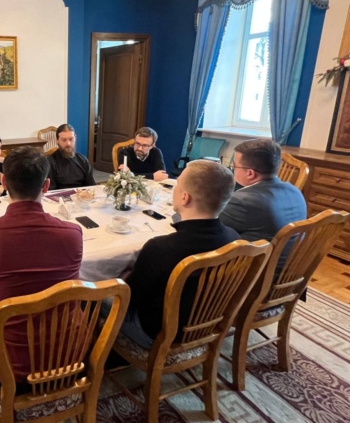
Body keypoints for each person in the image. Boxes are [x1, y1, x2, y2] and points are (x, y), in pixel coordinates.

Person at [0, 146, 82, 396]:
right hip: (68, 360)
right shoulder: (72, 235)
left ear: (4, 182)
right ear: (46, 186)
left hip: (7, 373)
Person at [119, 160, 239, 348]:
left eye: (177, 185)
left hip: (158, 334)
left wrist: (123, 279)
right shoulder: (235, 240)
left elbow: (130, 299)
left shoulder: (160, 248)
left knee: (96, 299)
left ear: (184, 197)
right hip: (209, 326)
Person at [219, 138, 307, 272]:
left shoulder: (242, 201)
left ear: (250, 173)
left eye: (234, 166)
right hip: (288, 271)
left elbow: (209, 228)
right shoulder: (295, 191)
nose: (233, 170)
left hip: (253, 275)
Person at [47, 124, 96, 190]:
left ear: (75, 138)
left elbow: (92, 186)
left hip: (82, 195)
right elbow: (50, 192)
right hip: (60, 195)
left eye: (71, 139)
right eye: (64, 140)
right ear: (57, 141)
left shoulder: (83, 161)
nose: (68, 143)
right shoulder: (50, 162)